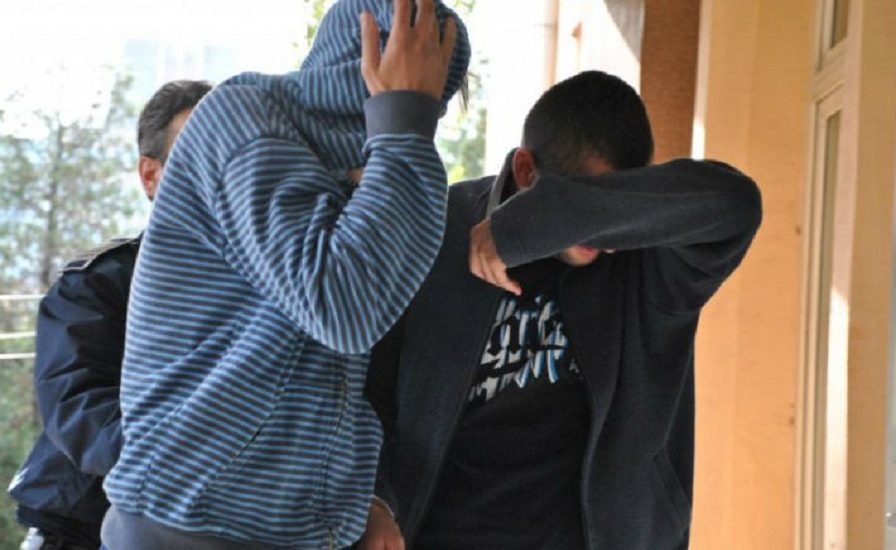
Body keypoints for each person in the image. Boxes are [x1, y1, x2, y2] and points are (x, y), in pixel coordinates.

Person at [98, 1, 470, 549]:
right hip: (190, 522)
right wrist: (403, 122)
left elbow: (338, 368)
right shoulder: (244, 122)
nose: (434, 111)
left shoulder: (364, 166)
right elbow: (344, 310)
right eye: (427, 85)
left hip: (290, 530)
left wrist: (361, 498)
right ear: (372, 61)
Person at [361, 70, 763, 550]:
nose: (606, 240)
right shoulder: (439, 232)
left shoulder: (649, 263)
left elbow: (736, 204)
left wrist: (541, 223)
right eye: (581, 196)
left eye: (608, 205)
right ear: (526, 170)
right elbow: (372, 387)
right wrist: (375, 499)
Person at [7, 79, 212, 550]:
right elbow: (77, 406)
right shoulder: (98, 282)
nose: (220, 176)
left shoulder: (282, 284)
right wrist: (195, 466)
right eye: (197, 158)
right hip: (83, 525)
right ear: (151, 176)